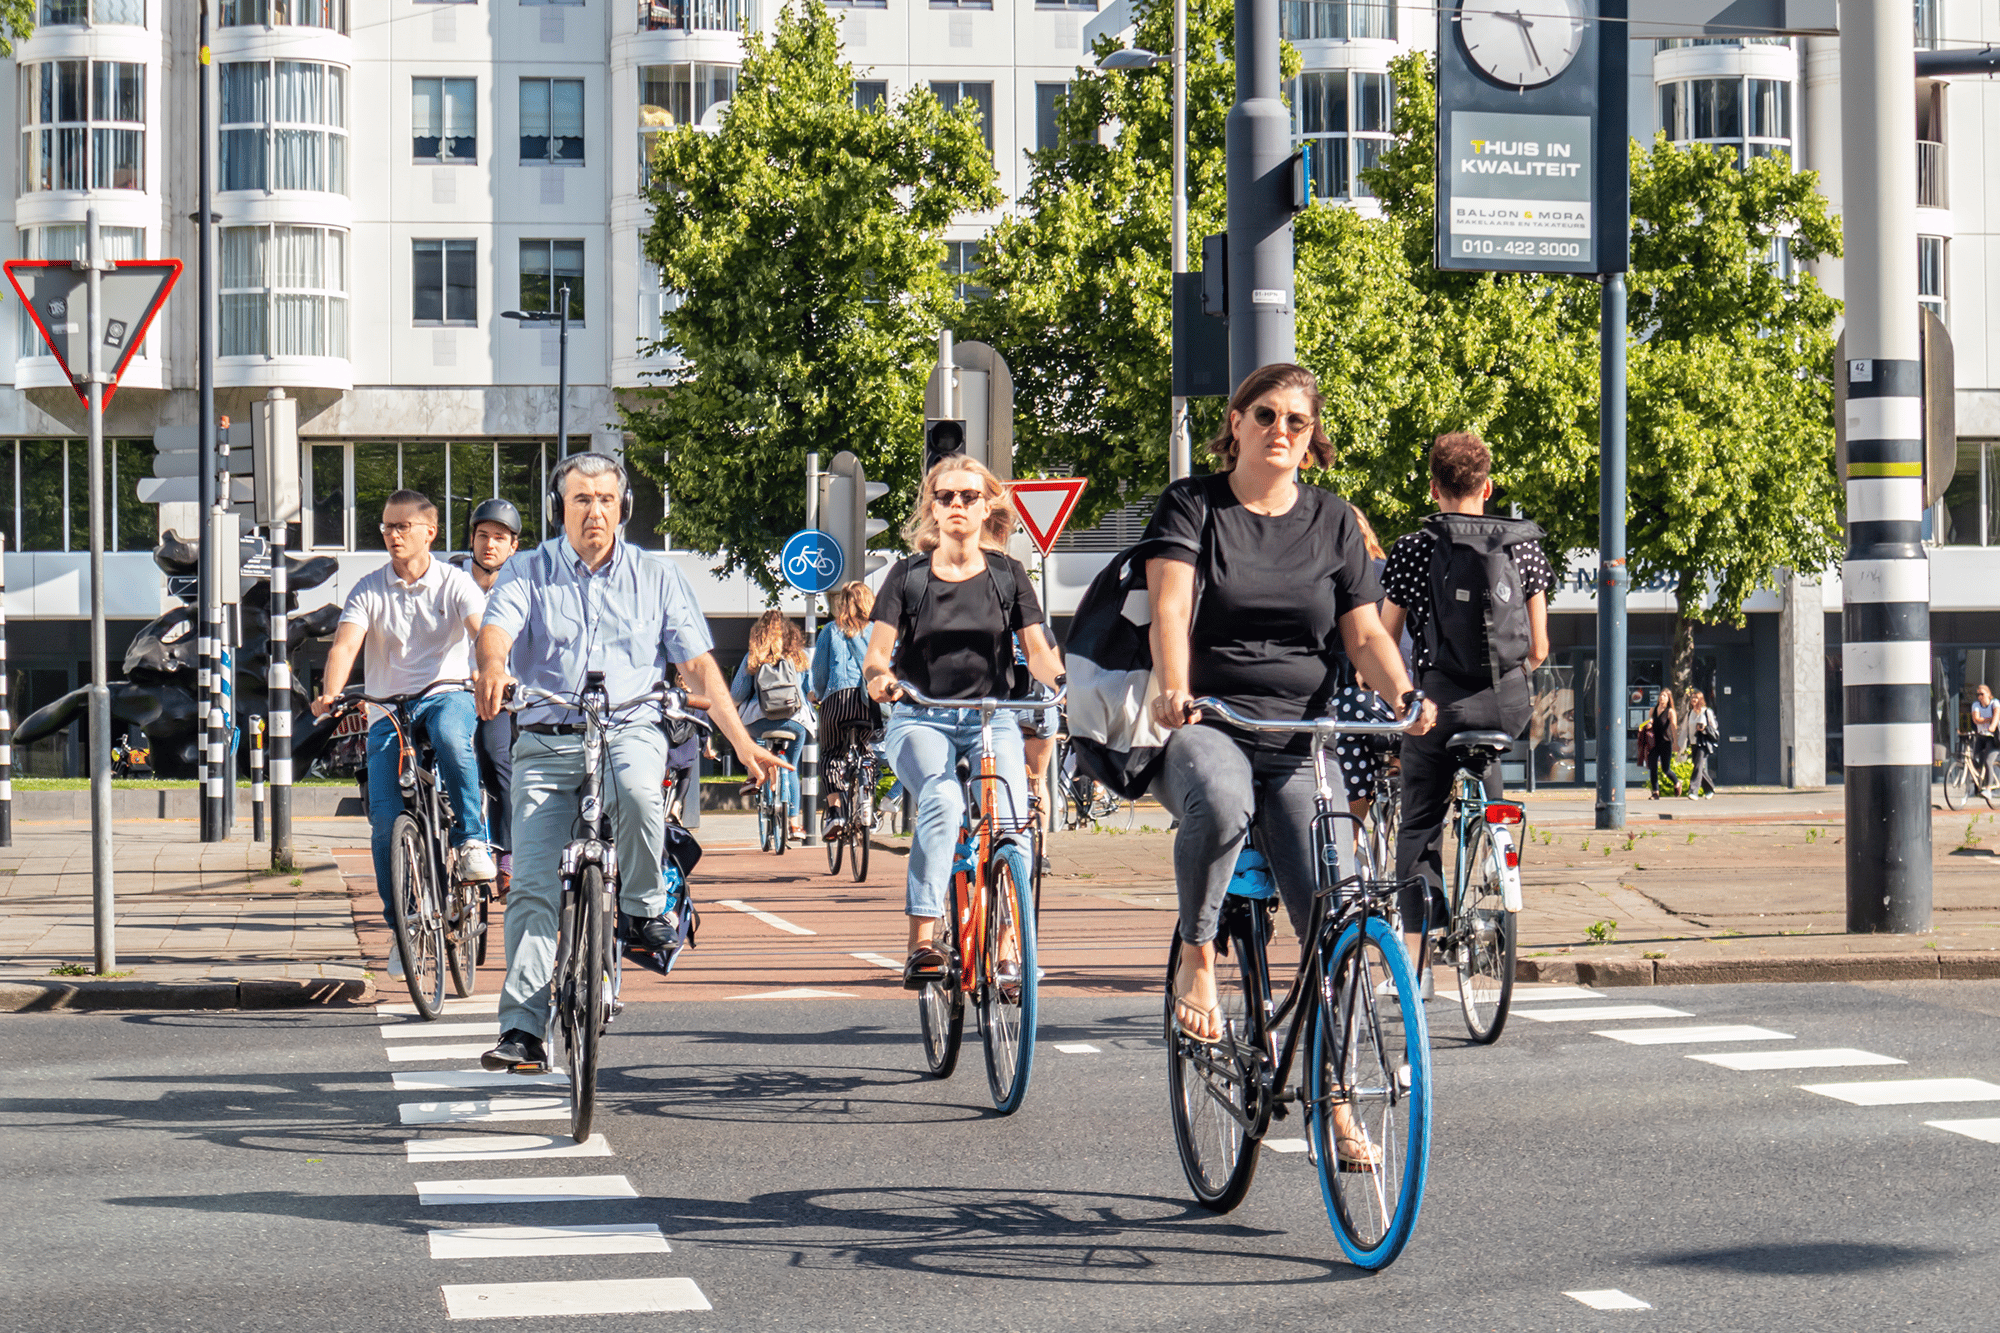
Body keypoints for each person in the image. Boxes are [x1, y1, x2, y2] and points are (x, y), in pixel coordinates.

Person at [1144, 363, 1426, 1072]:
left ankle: (1337, 1099)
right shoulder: (1193, 505)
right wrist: (1175, 690)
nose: (1280, 429)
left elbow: (1364, 635)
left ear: (1311, 439)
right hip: (1210, 723)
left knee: (1339, 911)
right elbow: (1172, 609)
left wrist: (1404, 696)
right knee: (1221, 798)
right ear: (1235, 423)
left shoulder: (1332, 520)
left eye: (1296, 421)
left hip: (1302, 740)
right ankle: (1198, 954)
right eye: (1265, 414)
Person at [473, 451, 786, 1072]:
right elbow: (497, 630)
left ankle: (643, 909)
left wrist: (743, 742)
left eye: (607, 500)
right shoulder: (527, 572)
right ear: (558, 508)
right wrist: (491, 667)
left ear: (624, 509)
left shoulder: (658, 575)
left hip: (630, 726)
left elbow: (697, 665)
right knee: (532, 884)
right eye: (582, 499)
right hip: (546, 736)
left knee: (640, 793)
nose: (595, 511)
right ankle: (522, 1030)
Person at [864, 455, 1064, 988]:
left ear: (986, 505)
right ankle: (922, 943)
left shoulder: (1007, 574)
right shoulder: (907, 576)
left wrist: (1064, 685)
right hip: (921, 716)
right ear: (931, 507)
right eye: (946, 496)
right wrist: (880, 679)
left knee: (1012, 823)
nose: (957, 505)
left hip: (990, 716)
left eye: (968, 496)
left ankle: (1006, 955)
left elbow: (1037, 652)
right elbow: (877, 656)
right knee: (943, 797)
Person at [1380, 432, 1550, 983]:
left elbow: (1383, 639)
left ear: (1434, 487)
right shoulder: (1522, 547)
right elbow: (1539, 647)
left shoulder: (1413, 548)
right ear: (1488, 486)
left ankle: (1419, 953)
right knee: (1487, 783)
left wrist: (1394, 691)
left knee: (1420, 820)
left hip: (1435, 705)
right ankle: (1495, 865)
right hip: (1505, 707)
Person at [313, 489, 496, 979]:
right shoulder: (369, 588)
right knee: (383, 826)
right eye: (387, 527)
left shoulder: (456, 584)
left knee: (455, 741)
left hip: (446, 693)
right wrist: (331, 694)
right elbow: (346, 644)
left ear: (429, 532)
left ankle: (473, 841)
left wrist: (490, 671)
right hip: (386, 709)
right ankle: (405, 929)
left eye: (402, 527)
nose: (392, 535)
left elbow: (481, 632)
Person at [452, 498, 524, 894]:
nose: (490, 545)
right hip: (452, 690)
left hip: (498, 696)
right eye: (483, 536)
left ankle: (507, 856)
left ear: (513, 546)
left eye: (500, 538)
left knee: (499, 761)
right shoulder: (451, 579)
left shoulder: (520, 587)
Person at [731, 610, 815, 838]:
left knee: (750, 737)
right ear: (791, 635)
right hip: (795, 722)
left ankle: (755, 773)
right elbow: (811, 692)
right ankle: (795, 825)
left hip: (759, 722)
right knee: (791, 766)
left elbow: (737, 694)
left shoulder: (753, 657)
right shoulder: (800, 657)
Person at [811, 581, 879, 837]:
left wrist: (817, 694)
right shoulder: (877, 631)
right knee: (867, 753)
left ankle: (836, 813)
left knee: (830, 755)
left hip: (837, 701)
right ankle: (866, 800)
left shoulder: (830, 630)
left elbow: (819, 672)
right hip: (868, 702)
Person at [1686, 688, 1720, 798]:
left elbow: (1714, 727)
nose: (1693, 699)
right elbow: (1686, 730)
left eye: (1696, 697)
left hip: (1704, 743)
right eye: (1692, 697)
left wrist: (1704, 728)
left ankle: (1693, 791)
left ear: (1700, 699)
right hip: (1694, 743)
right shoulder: (1690, 713)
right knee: (1699, 767)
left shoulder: (1706, 711)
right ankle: (1709, 789)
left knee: (1698, 767)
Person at [1648, 688, 1680, 799]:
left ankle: (1677, 783)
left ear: (1668, 699)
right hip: (1654, 743)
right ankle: (1655, 792)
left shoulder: (1670, 712)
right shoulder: (1653, 709)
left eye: (1665, 696)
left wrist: (1675, 743)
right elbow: (1648, 723)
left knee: (1665, 769)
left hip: (1666, 743)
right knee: (1653, 767)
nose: (1662, 697)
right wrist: (1648, 724)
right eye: (1661, 695)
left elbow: (1673, 728)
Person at [1972, 684, 2000, 783]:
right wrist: (1988, 719)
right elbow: (1976, 719)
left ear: (1988, 694)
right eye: (1978, 694)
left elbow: (1996, 716)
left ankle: (1988, 788)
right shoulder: (1976, 705)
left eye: (1982, 694)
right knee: (1974, 759)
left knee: (1988, 762)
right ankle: (1979, 783)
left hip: (1992, 737)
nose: (1980, 696)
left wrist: (1992, 726)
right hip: (1981, 735)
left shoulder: (1995, 703)